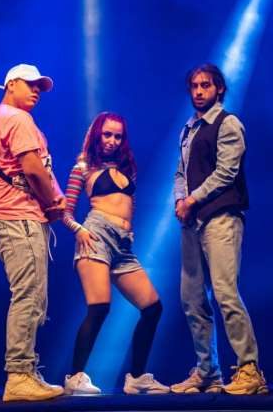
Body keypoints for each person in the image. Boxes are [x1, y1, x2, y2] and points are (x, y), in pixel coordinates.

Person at [172, 63, 267, 395]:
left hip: (221, 217)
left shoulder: (227, 123)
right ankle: (207, 372)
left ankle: (249, 369)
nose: (199, 91)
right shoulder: (189, 129)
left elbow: (227, 172)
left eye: (206, 85)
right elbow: (181, 172)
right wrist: (180, 201)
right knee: (192, 298)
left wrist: (191, 199)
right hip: (192, 221)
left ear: (219, 89)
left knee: (225, 293)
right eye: (194, 86)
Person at [61, 112, 169, 395]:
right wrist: (78, 230)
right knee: (99, 307)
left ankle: (137, 378)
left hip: (123, 246)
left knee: (153, 307)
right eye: (107, 134)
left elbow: (129, 205)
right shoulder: (83, 166)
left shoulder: (127, 168)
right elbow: (65, 211)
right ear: (97, 134)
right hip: (95, 236)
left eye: (118, 136)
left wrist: (129, 231)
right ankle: (75, 377)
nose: (112, 141)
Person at [0, 63, 66, 402]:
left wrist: (54, 198)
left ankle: (27, 371)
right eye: (30, 84)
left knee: (32, 296)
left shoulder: (3, 117)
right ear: (11, 84)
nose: (36, 91)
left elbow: (36, 168)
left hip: (12, 216)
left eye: (40, 87)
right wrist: (52, 202)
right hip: (18, 216)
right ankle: (19, 374)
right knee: (28, 295)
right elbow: (33, 169)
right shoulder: (18, 119)